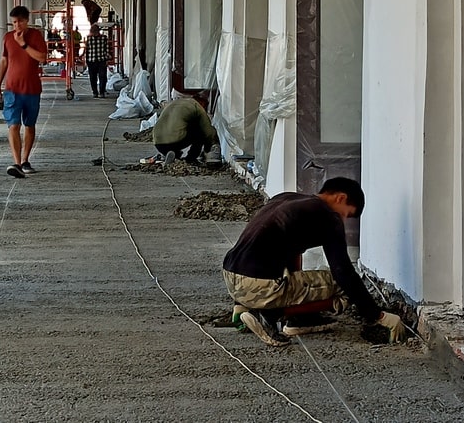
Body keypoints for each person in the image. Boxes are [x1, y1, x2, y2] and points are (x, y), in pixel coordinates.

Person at [221, 177, 407, 347]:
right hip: (261, 286)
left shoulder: (286, 199)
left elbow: (291, 252)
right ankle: (268, 314)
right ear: (340, 198)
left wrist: (293, 290)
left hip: (233, 280)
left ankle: (270, 313)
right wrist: (378, 316)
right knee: (344, 286)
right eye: (347, 215)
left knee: (300, 268)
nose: (344, 220)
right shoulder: (328, 216)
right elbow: (343, 271)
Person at [0, 6, 48, 178]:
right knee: (13, 125)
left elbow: (42, 58)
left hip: (32, 88)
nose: (16, 25)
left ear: (27, 21)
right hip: (12, 89)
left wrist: (23, 44)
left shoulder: (35, 36)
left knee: (29, 125)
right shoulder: (8, 38)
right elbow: (4, 61)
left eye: (20, 22)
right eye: (14, 22)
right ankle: (17, 162)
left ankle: (25, 160)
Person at [152, 95, 219, 164]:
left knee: (179, 127)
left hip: (158, 142)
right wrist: (208, 148)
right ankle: (191, 158)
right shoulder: (196, 105)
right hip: (176, 140)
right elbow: (208, 131)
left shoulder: (173, 103)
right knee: (200, 130)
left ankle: (173, 154)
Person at [83, 25, 111, 98]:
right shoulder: (89, 39)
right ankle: (96, 92)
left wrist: (107, 59)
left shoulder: (103, 38)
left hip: (100, 60)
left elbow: (107, 49)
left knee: (102, 77)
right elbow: (87, 50)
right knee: (94, 77)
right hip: (93, 60)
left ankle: (101, 92)